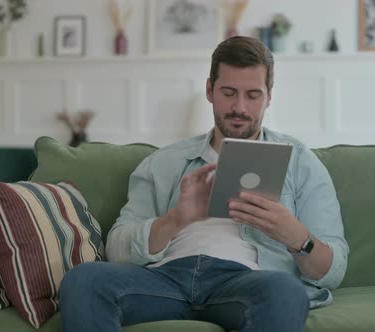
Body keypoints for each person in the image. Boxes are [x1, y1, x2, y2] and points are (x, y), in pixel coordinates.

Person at [60, 36, 348, 332]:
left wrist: (296, 237)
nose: (240, 107)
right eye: (228, 92)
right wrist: (174, 220)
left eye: (253, 95)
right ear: (210, 90)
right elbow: (117, 248)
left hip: (247, 282)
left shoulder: (300, 162)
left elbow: (333, 270)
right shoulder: (164, 162)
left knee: (286, 291)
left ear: (269, 96)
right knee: (84, 280)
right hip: (165, 279)